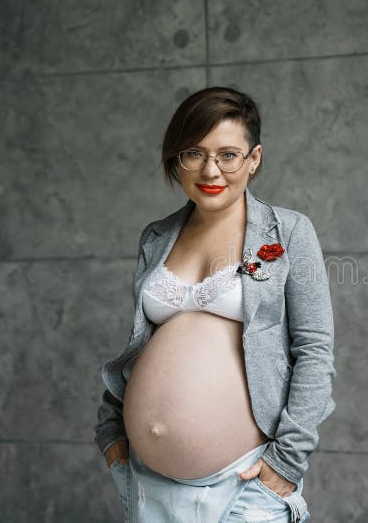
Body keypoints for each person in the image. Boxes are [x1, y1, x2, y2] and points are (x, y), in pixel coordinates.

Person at [93, 86, 336, 522]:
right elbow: (139, 344)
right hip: (144, 481)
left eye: (228, 155)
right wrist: (111, 436)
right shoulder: (156, 237)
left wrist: (286, 462)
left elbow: (315, 352)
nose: (211, 170)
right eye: (194, 153)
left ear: (253, 159)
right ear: (176, 158)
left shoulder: (290, 233)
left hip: (243, 484)